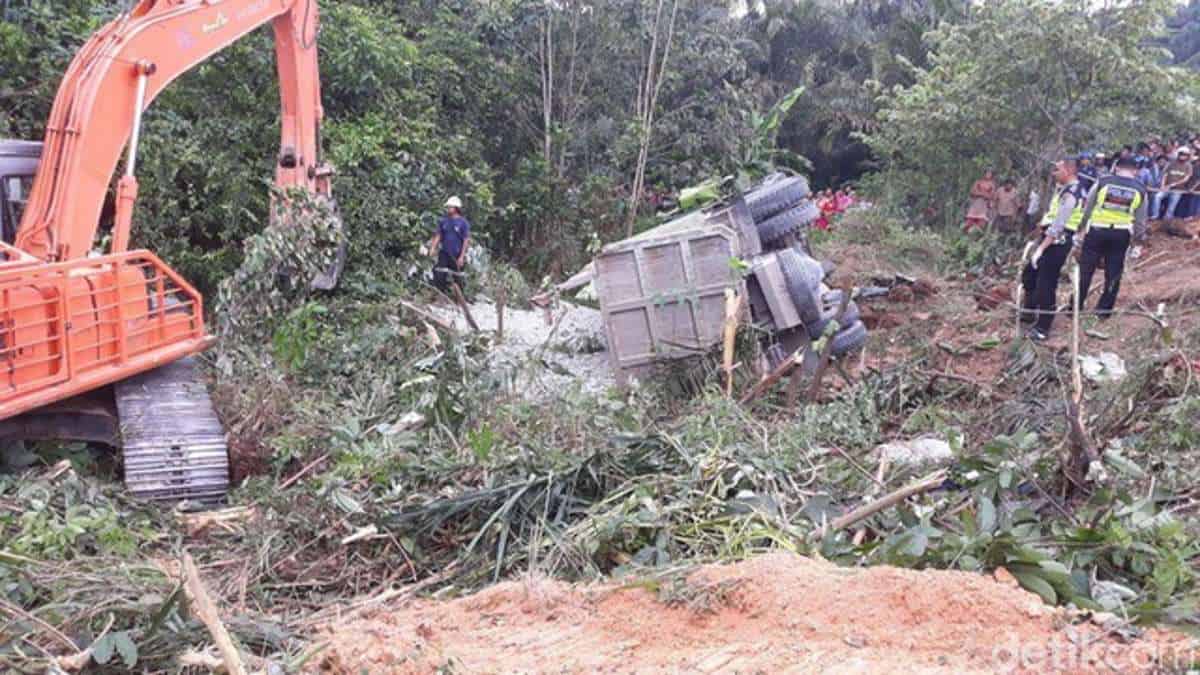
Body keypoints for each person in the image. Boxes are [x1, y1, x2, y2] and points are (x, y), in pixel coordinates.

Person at [1072, 157, 1148, 321]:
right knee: (1113, 273)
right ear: (1135, 171)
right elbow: (1141, 220)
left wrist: (1080, 229)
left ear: (1116, 167)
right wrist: (1138, 241)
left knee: (1086, 270)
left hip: (1097, 230)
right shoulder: (1140, 189)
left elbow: (1088, 207)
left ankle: (1075, 307)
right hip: (1121, 234)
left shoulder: (1103, 182)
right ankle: (1104, 311)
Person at [1022, 159, 1086, 340]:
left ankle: (1043, 327)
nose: (1054, 173)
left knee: (1046, 284)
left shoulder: (1072, 194)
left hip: (1057, 242)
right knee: (1030, 274)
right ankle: (1029, 311)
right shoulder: (1064, 190)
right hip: (1049, 238)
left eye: (1057, 170)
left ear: (1068, 171)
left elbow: (1059, 225)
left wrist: (1041, 248)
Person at [429, 196, 471, 293]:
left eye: (450, 207)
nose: (448, 209)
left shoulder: (463, 223)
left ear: (456, 208)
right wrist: (433, 248)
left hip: (457, 253)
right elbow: (438, 235)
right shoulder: (444, 221)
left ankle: (459, 299)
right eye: (448, 207)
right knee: (439, 274)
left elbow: (466, 240)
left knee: (458, 277)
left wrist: (461, 256)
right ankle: (440, 296)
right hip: (444, 253)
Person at [1162, 148, 1193, 219]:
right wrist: (1163, 185)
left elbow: (1186, 178)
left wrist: (1174, 184)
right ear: (1178, 154)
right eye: (1181, 154)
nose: (1182, 156)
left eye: (1185, 155)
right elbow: (1165, 175)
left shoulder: (1189, 165)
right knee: (1157, 197)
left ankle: (1167, 219)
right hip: (1167, 187)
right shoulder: (1171, 163)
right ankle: (1154, 216)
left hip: (1178, 189)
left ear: (1187, 156)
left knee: (1172, 205)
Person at [1149, 154, 1169, 220]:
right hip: (1152, 189)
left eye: (1164, 162)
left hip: (1164, 190)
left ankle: (1155, 215)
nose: (1162, 164)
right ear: (1157, 162)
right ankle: (1152, 215)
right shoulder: (1150, 170)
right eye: (1160, 162)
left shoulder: (1168, 171)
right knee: (1151, 195)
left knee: (1157, 196)